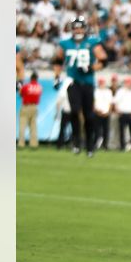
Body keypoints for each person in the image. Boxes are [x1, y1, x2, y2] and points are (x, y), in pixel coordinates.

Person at [52, 16, 107, 157]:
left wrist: (91, 68)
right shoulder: (65, 43)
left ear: (84, 28)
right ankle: (76, 142)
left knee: (88, 115)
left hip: (87, 83)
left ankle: (89, 145)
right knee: (75, 112)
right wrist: (57, 77)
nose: (77, 30)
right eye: (75, 27)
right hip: (73, 82)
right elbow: (57, 61)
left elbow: (104, 60)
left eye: (80, 27)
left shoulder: (92, 42)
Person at [113, 76, 131, 150]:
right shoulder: (120, 91)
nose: (128, 84)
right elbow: (115, 102)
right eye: (127, 83)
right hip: (122, 113)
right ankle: (122, 146)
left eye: (129, 83)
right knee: (121, 131)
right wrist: (118, 111)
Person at [18, 72, 42, 148]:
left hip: (26, 106)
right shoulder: (39, 87)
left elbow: (20, 94)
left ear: (30, 78)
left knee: (22, 126)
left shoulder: (26, 86)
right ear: (37, 79)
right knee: (33, 126)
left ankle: (21, 144)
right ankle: (34, 144)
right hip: (35, 107)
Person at [93, 77, 113, 151]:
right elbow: (93, 103)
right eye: (100, 83)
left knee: (106, 130)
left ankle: (105, 145)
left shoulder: (108, 91)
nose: (101, 84)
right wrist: (97, 111)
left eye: (102, 83)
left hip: (106, 114)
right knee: (96, 130)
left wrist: (108, 112)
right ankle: (95, 144)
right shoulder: (96, 91)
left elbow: (111, 103)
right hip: (97, 113)